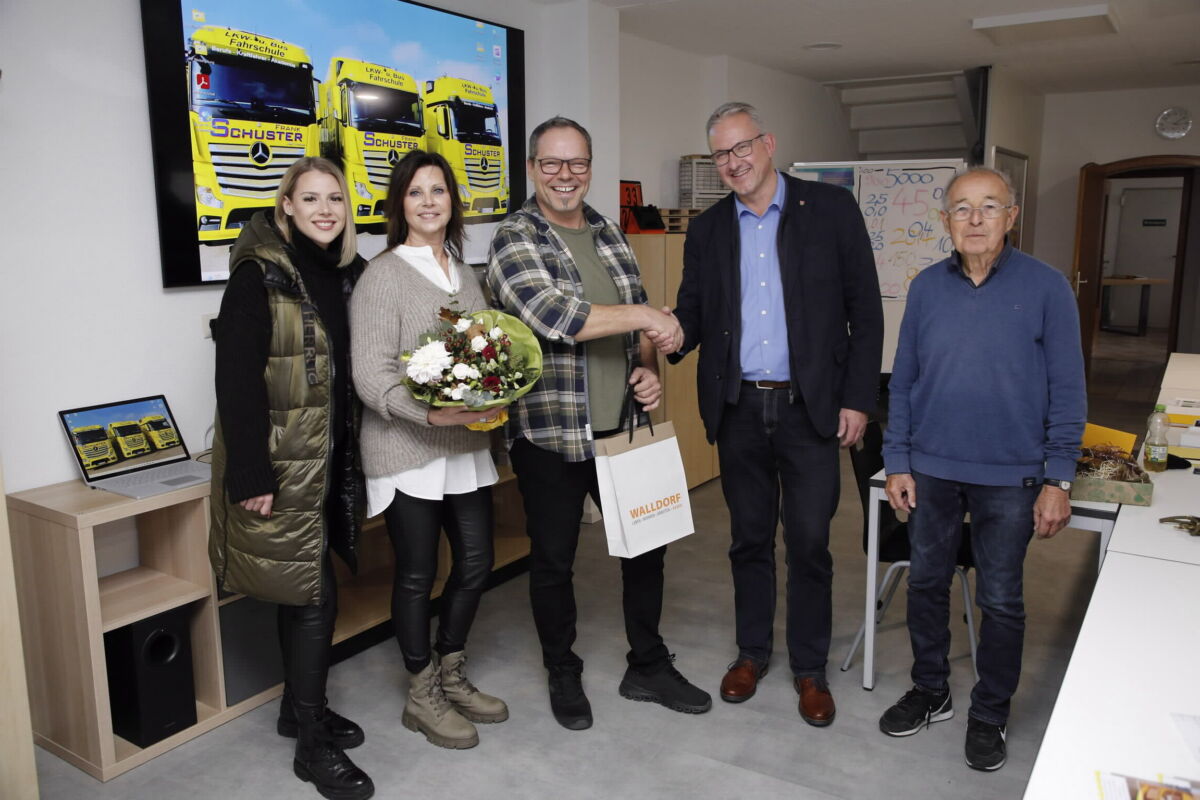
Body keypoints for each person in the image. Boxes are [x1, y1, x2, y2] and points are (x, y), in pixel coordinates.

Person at [487, 116, 710, 731]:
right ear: (532, 168)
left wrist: (646, 369)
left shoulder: (608, 232)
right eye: (552, 163)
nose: (566, 176)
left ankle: (648, 663)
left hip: (622, 425)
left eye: (577, 163)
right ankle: (563, 669)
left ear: (590, 167)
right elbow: (557, 315)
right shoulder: (514, 237)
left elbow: (636, 330)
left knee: (647, 547)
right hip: (552, 434)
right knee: (554, 560)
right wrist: (647, 315)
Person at [663, 102, 883, 726]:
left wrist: (857, 398)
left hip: (809, 408)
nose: (734, 163)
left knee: (810, 542)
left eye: (742, 148)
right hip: (738, 409)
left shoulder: (831, 210)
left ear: (769, 143)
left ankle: (809, 668)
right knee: (748, 539)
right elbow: (694, 313)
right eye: (721, 154)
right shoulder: (707, 230)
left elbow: (865, 313)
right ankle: (752, 653)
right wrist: (655, 334)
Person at [880, 166, 1086, 771]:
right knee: (924, 583)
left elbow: (1069, 390)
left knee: (1001, 599)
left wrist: (1059, 477)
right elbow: (905, 381)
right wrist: (897, 460)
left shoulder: (1048, 288)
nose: (975, 219)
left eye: (989, 206)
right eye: (962, 208)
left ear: (1011, 217)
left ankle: (990, 712)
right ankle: (931, 690)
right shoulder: (924, 288)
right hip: (933, 469)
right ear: (945, 220)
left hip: (1012, 476)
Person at [209, 157, 373, 800]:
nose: (326, 209)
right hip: (282, 466)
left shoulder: (347, 274)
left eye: (335, 198)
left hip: (330, 461)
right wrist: (251, 469)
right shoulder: (259, 277)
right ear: (287, 207)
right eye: (311, 199)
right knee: (312, 596)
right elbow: (236, 380)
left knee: (309, 584)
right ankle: (311, 744)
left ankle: (294, 710)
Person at [351, 150, 508, 750]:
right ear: (399, 205)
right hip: (406, 447)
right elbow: (370, 375)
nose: (428, 202)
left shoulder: (466, 274)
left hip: (463, 446)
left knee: (476, 562)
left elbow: (485, 353)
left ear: (451, 201)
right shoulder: (383, 275)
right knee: (418, 575)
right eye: (415, 192)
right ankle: (421, 694)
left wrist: (493, 397)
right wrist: (431, 411)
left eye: (437, 190)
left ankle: (450, 669)